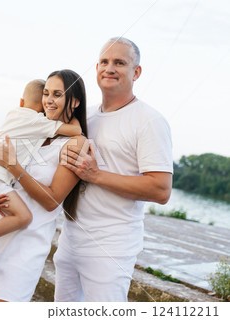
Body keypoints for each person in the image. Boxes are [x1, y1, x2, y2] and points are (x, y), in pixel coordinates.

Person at [55, 37, 173, 302]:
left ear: (136, 72)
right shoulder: (85, 117)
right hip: (71, 239)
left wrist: (95, 175)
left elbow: (161, 190)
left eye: (119, 62)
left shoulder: (150, 121)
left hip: (111, 246)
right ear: (96, 68)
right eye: (104, 62)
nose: (109, 68)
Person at [0, 70, 89, 302]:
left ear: (74, 101)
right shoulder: (33, 124)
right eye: (46, 93)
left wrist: (14, 166)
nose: (49, 100)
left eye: (57, 94)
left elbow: (52, 201)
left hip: (24, 248)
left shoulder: (76, 143)